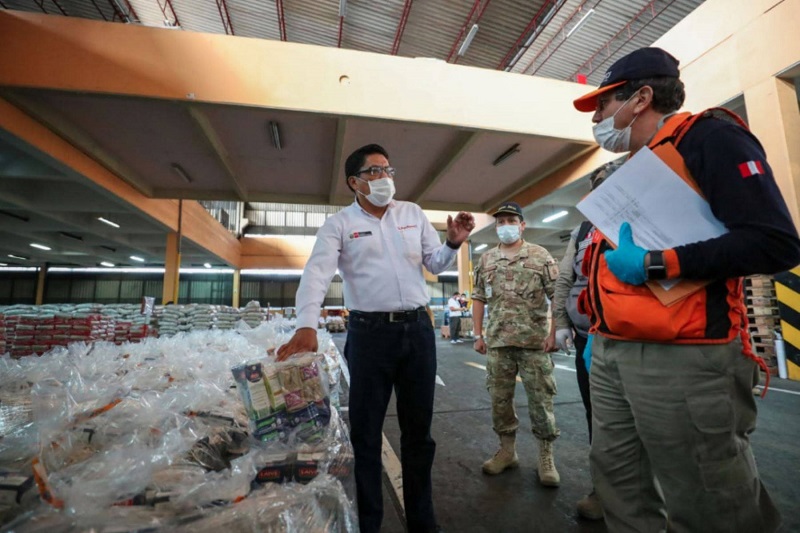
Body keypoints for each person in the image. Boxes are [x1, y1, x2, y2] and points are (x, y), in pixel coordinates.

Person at [572, 47, 800, 532]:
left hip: (686, 355)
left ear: (641, 98)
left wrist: (657, 264)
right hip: (614, 349)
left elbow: (774, 242)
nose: (597, 117)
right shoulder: (633, 168)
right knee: (618, 483)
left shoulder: (710, 139)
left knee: (707, 495)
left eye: (603, 104)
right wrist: (600, 325)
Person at [277, 143, 475, 533]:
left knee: (419, 433)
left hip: (418, 332)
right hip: (369, 337)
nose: (385, 178)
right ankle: (370, 522)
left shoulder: (412, 214)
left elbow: (434, 263)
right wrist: (306, 324)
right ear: (354, 182)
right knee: (366, 434)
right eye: (375, 172)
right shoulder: (339, 224)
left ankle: (423, 520)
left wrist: (453, 242)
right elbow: (317, 273)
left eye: (388, 170)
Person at [544, 163, 617, 521]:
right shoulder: (583, 229)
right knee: (598, 419)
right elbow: (563, 280)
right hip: (590, 341)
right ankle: (603, 491)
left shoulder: (643, 217)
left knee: (639, 423)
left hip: (632, 339)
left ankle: (648, 497)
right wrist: (560, 322)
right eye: (598, 187)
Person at [471, 201, 561, 486]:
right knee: (499, 400)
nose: (505, 226)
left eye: (511, 220)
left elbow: (556, 295)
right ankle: (507, 451)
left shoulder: (540, 255)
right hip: (498, 342)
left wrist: (554, 332)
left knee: (541, 400)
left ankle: (546, 456)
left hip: (534, 342)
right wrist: (477, 335)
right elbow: (478, 298)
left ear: (522, 224)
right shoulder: (486, 260)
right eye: (500, 222)